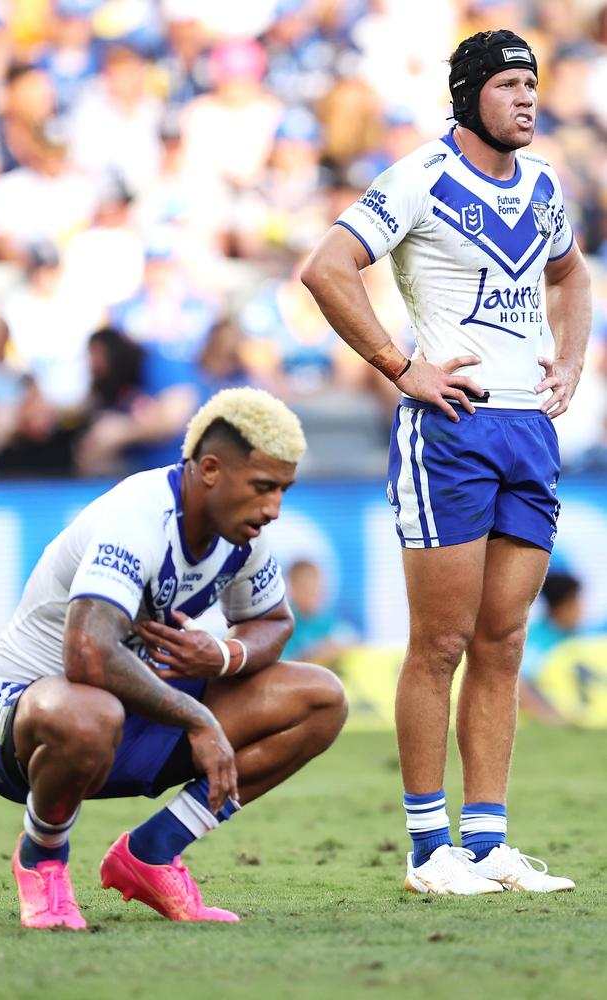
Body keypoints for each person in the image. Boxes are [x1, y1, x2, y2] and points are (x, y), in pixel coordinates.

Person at [301, 28, 591, 894]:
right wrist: (400, 367)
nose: (528, 99)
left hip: (527, 431)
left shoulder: (543, 186)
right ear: (469, 96)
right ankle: (431, 853)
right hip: (451, 428)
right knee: (441, 643)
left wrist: (572, 361)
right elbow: (327, 267)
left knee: (503, 642)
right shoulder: (420, 178)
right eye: (508, 84)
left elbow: (571, 279)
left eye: (532, 84)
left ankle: (490, 840)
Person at [0, 387, 347, 929]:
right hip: (20, 728)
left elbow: (274, 622)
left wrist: (222, 654)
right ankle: (42, 857)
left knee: (320, 699)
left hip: (130, 719)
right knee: (89, 713)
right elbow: (87, 653)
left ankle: (151, 852)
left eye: (283, 489)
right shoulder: (139, 514)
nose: (273, 509)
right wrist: (198, 716)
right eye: (263, 488)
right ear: (210, 470)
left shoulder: (244, 530)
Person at [519, 570, 583, 723]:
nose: (582, 608)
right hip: (556, 716)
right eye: (576, 601)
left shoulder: (580, 636)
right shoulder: (534, 640)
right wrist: (552, 718)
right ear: (563, 606)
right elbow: (518, 683)